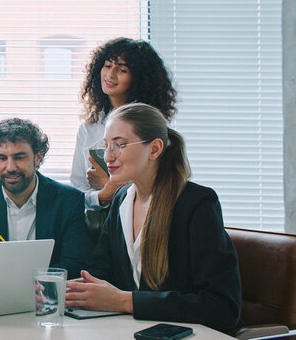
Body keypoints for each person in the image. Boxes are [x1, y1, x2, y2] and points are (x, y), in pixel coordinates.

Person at [64, 103, 242, 332]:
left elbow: (222, 307)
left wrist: (123, 301)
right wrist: (63, 291)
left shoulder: (197, 203)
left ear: (155, 149)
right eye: (106, 145)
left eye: (120, 145)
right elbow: (100, 274)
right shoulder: (121, 200)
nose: (108, 156)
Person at [70, 37, 178, 250]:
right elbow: (77, 191)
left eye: (121, 69)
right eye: (107, 66)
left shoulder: (153, 128)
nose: (110, 75)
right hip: (98, 230)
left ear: (138, 78)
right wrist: (102, 195)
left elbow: (161, 185)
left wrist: (110, 185)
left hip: (147, 226)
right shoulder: (89, 127)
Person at [0, 118, 87, 278]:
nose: (10, 167)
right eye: (2, 158)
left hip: (46, 295)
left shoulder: (69, 200)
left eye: (19, 157)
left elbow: (73, 265)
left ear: (37, 157)